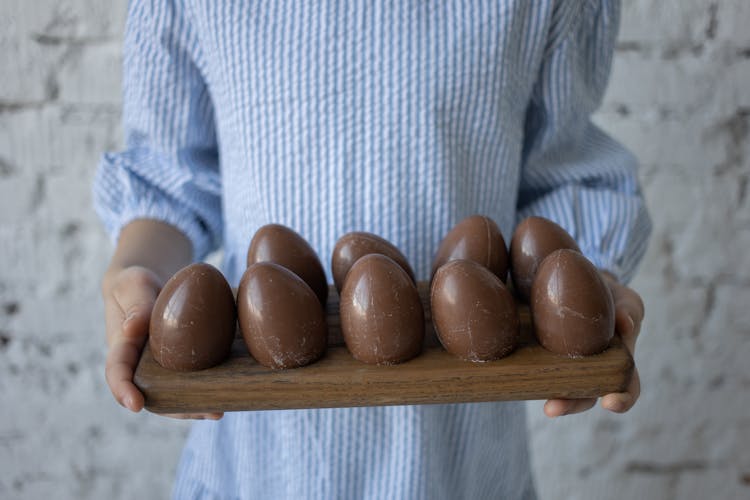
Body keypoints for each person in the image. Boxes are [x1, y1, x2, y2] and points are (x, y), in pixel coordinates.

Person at [94, 1, 651, 498]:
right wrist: (138, 270)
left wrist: (583, 294)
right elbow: (169, 180)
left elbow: (561, 175)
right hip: (258, 463)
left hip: (462, 462)